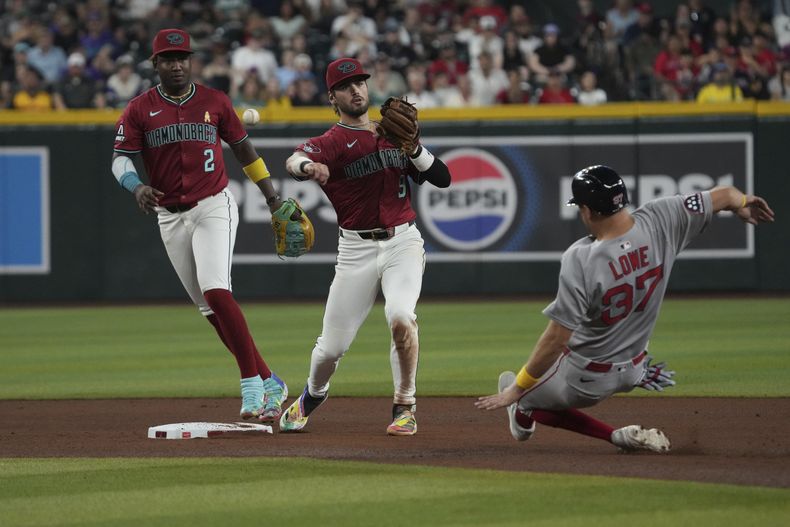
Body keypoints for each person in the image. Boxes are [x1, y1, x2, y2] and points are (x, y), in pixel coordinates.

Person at [476, 165, 774, 452]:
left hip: (586, 380)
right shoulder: (663, 216)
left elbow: (556, 339)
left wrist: (518, 389)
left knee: (522, 395)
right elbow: (725, 195)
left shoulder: (580, 259)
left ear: (587, 211)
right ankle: (529, 406)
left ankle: (615, 436)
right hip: (635, 367)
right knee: (530, 383)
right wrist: (744, 203)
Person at [110, 29, 289, 423]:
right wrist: (135, 185)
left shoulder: (214, 101)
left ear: (190, 62)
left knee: (217, 291)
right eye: (169, 58)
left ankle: (251, 387)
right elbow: (120, 159)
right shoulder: (140, 108)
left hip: (213, 205)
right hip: (169, 215)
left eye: (183, 58)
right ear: (155, 64)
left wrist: (272, 196)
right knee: (209, 309)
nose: (177, 64)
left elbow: (244, 150)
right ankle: (270, 379)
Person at [280, 57, 452, 436]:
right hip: (355, 250)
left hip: (403, 241)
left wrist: (413, 147)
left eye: (360, 82)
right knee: (329, 350)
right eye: (346, 86)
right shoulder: (332, 141)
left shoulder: (393, 134)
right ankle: (313, 394)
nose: (356, 89)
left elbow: (442, 178)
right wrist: (308, 168)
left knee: (401, 317)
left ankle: (404, 406)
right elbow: (295, 159)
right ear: (333, 97)